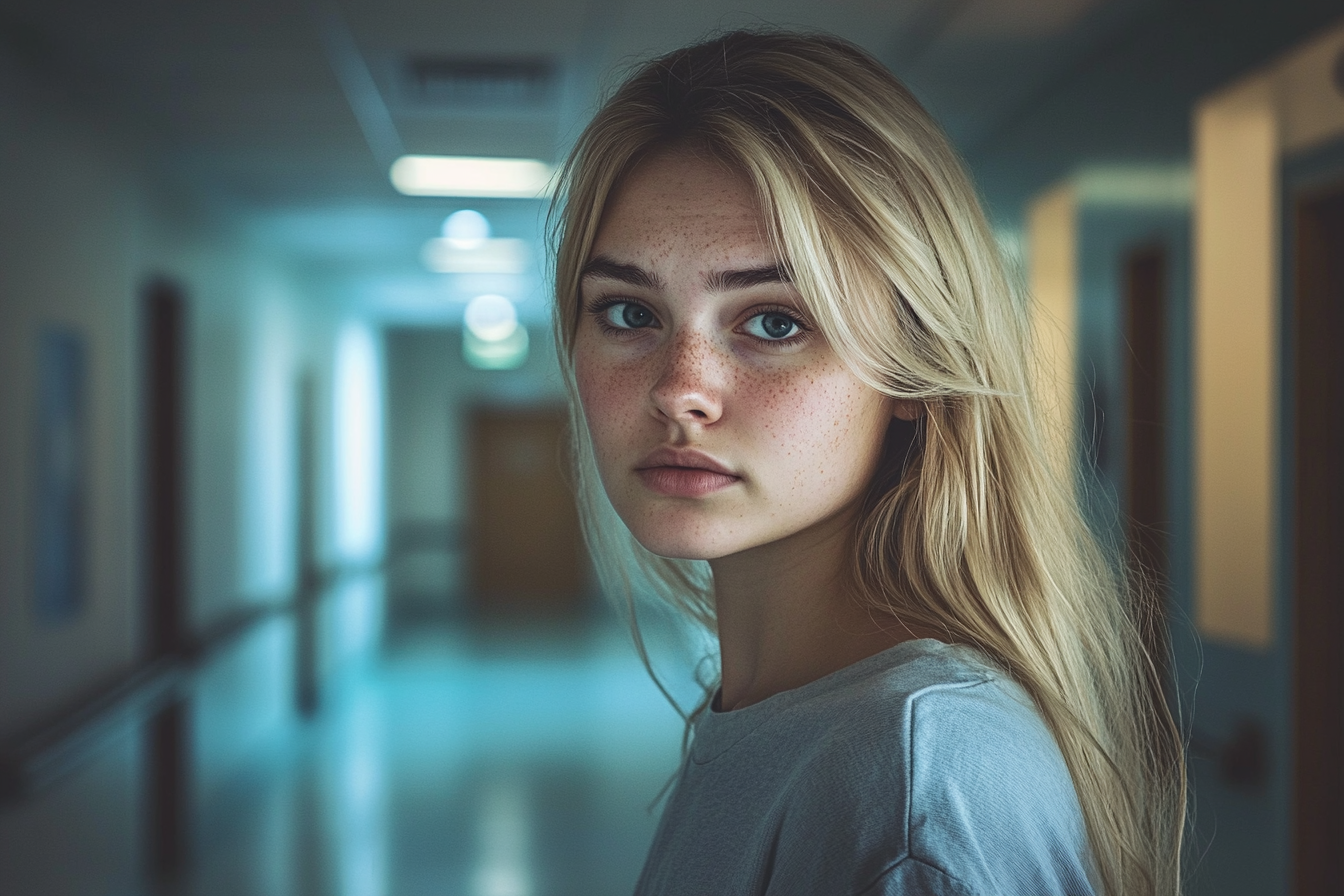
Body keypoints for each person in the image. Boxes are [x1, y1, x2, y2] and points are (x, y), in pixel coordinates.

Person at [550, 30, 1185, 896]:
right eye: (627, 313)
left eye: (774, 322)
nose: (679, 391)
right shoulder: (772, 713)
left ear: (913, 370)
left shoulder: (917, 783)